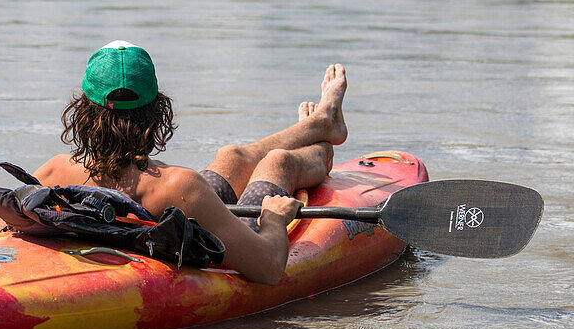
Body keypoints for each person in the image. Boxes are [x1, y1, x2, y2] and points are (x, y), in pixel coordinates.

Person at [35, 41, 349, 285]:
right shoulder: (179, 185)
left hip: (164, 219)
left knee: (231, 156)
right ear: (156, 113)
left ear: (83, 112)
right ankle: (323, 146)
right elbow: (268, 269)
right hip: (191, 228)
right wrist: (273, 221)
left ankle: (319, 124)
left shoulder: (54, 170)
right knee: (278, 163)